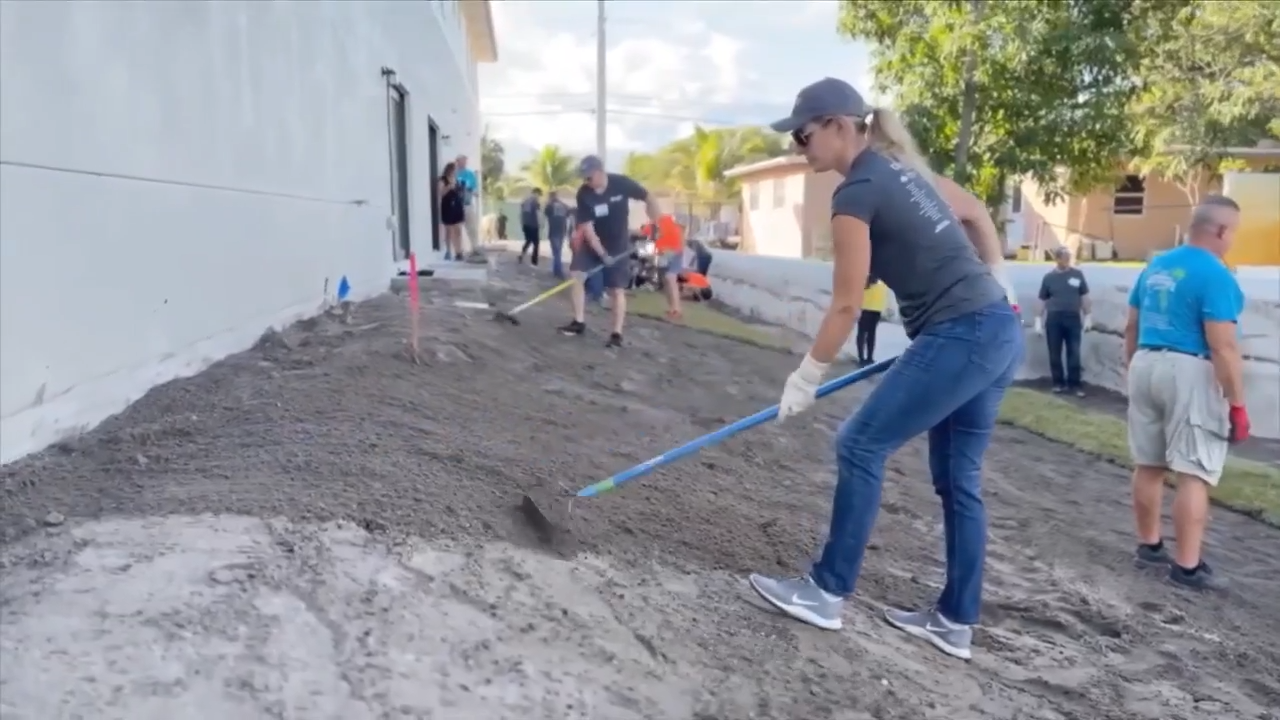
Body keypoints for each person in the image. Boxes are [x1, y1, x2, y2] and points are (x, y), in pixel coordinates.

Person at [745, 77, 1022, 661]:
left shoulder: (858, 191)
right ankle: (954, 622)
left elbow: (847, 304)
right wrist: (999, 280)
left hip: (962, 332)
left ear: (840, 127)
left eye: (803, 135)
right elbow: (974, 214)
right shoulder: (905, 173)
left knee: (860, 446)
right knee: (958, 481)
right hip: (995, 329)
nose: (799, 148)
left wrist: (806, 376)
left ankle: (826, 591)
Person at [1124, 195, 1249, 592]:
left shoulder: (1156, 265)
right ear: (1222, 230)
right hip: (1189, 367)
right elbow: (1223, 345)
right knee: (1193, 470)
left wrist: (1135, 369)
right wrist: (1237, 404)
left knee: (1148, 462)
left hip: (1146, 359)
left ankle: (1149, 546)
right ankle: (1187, 567)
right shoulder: (1215, 275)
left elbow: (1131, 325)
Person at [560, 155, 662, 347]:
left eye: (588, 177)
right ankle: (579, 322)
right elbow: (588, 229)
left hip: (618, 244)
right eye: (583, 178)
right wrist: (602, 254)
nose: (586, 182)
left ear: (599, 172)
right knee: (576, 275)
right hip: (592, 245)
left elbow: (649, 198)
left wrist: (656, 224)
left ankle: (616, 334)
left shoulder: (621, 183)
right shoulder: (584, 194)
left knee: (617, 289)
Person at [1034, 247, 1093, 396]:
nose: (1067, 261)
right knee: (1054, 352)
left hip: (1072, 318)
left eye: (1068, 258)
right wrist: (1038, 320)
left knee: (1074, 352)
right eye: (1064, 258)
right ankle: (1058, 383)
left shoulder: (1077, 275)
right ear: (1058, 259)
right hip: (1054, 318)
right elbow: (1042, 299)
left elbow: (1084, 296)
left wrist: (1088, 316)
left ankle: (1075, 384)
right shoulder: (1049, 278)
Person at [855, 278, 887, 367]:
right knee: (870, 334)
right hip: (874, 309)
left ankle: (863, 358)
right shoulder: (879, 279)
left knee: (863, 333)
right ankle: (868, 358)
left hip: (869, 308)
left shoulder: (868, 278)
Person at [438, 162, 466, 261]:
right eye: (454, 169)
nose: (455, 171)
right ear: (449, 170)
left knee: (458, 229)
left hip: (457, 206)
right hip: (447, 206)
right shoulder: (443, 180)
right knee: (449, 230)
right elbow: (441, 193)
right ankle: (448, 251)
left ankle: (459, 251)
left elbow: (459, 193)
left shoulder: (457, 180)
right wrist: (449, 186)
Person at [545, 190, 572, 279]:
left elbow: (546, 214)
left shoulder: (550, 206)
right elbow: (569, 212)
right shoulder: (564, 206)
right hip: (562, 230)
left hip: (553, 231)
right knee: (558, 252)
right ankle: (556, 270)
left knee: (556, 252)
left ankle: (558, 271)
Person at [455, 155, 479, 253]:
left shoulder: (470, 174)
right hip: (456, 205)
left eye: (465, 161)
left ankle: (474, 248)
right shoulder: (454, 174)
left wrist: (472, 191)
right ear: (457, 161)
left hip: (468, 204)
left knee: (472, 227)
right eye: (462, 161)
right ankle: (459, 250)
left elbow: (475, 189)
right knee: (457, 228)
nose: (464, 163)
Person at [518, 188, 543, 265]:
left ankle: (522, 255)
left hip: (525, 224)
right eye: (539, 195)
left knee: (528, 240)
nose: (539, 197)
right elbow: (538, 213)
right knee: (536, 243)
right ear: (536, 193)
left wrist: (522, 223)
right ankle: (534, 261)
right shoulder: (535, 202)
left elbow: (521, 213)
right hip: (533, 225)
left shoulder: (525, 201)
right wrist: (540, 223)